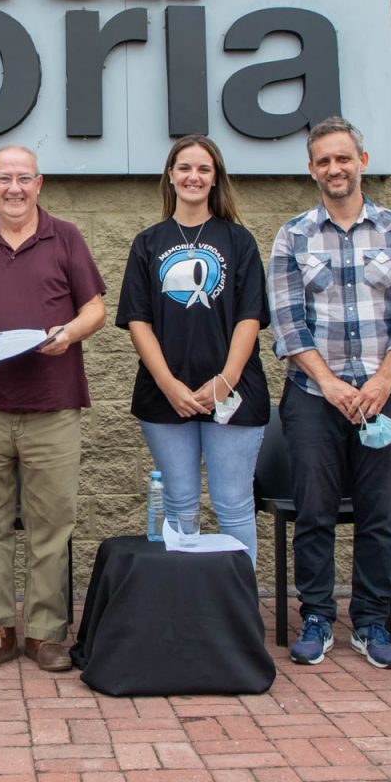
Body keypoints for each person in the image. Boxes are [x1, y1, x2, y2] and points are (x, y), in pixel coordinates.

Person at [268, 116, 391, 670]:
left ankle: (372, 620)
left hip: (387, 395)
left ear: (362, 160)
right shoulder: (293, 235)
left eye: (343, 158)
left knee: (378, 516)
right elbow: (288, 324)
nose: (335, 168)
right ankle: (316, 616)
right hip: (315, 397)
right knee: (314, 513)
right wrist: (331, 385)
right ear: (312, 170)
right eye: (324, 161)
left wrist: (381, 381)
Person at [0, 145, 106, 673]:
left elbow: (96, 309)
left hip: (53, 405)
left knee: (51, 524)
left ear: (40, 184)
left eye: (24, 178)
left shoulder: (66, 236)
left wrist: (69, 333)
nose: (14, 188)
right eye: (4, 178)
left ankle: (44, 634)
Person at [116, 135, 270, 558]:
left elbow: (250, 317)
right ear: (170, 175)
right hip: (166, 395)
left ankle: (237, 600)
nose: (193, 176)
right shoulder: (147, 243)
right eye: (184, 168)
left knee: (233, 505)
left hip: (233, 394)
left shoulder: (240, 241)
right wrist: (168, 384)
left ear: (215, 178)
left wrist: (225, 380)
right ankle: (187, 598)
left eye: (204, 169)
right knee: (180, 504)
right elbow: (138, 321)